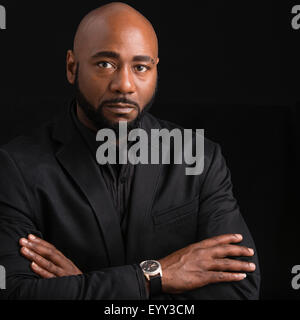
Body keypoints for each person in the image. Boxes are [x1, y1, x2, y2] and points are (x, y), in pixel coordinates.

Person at [0, 2, 260, 300]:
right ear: (73, 67)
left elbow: (240, 291)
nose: (124, 84)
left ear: (155, 70)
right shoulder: (17, 167)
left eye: (140, 67)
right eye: (105, 64)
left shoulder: (200, 158)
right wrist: (155, 276)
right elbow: (15, 293)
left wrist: (86, 287)